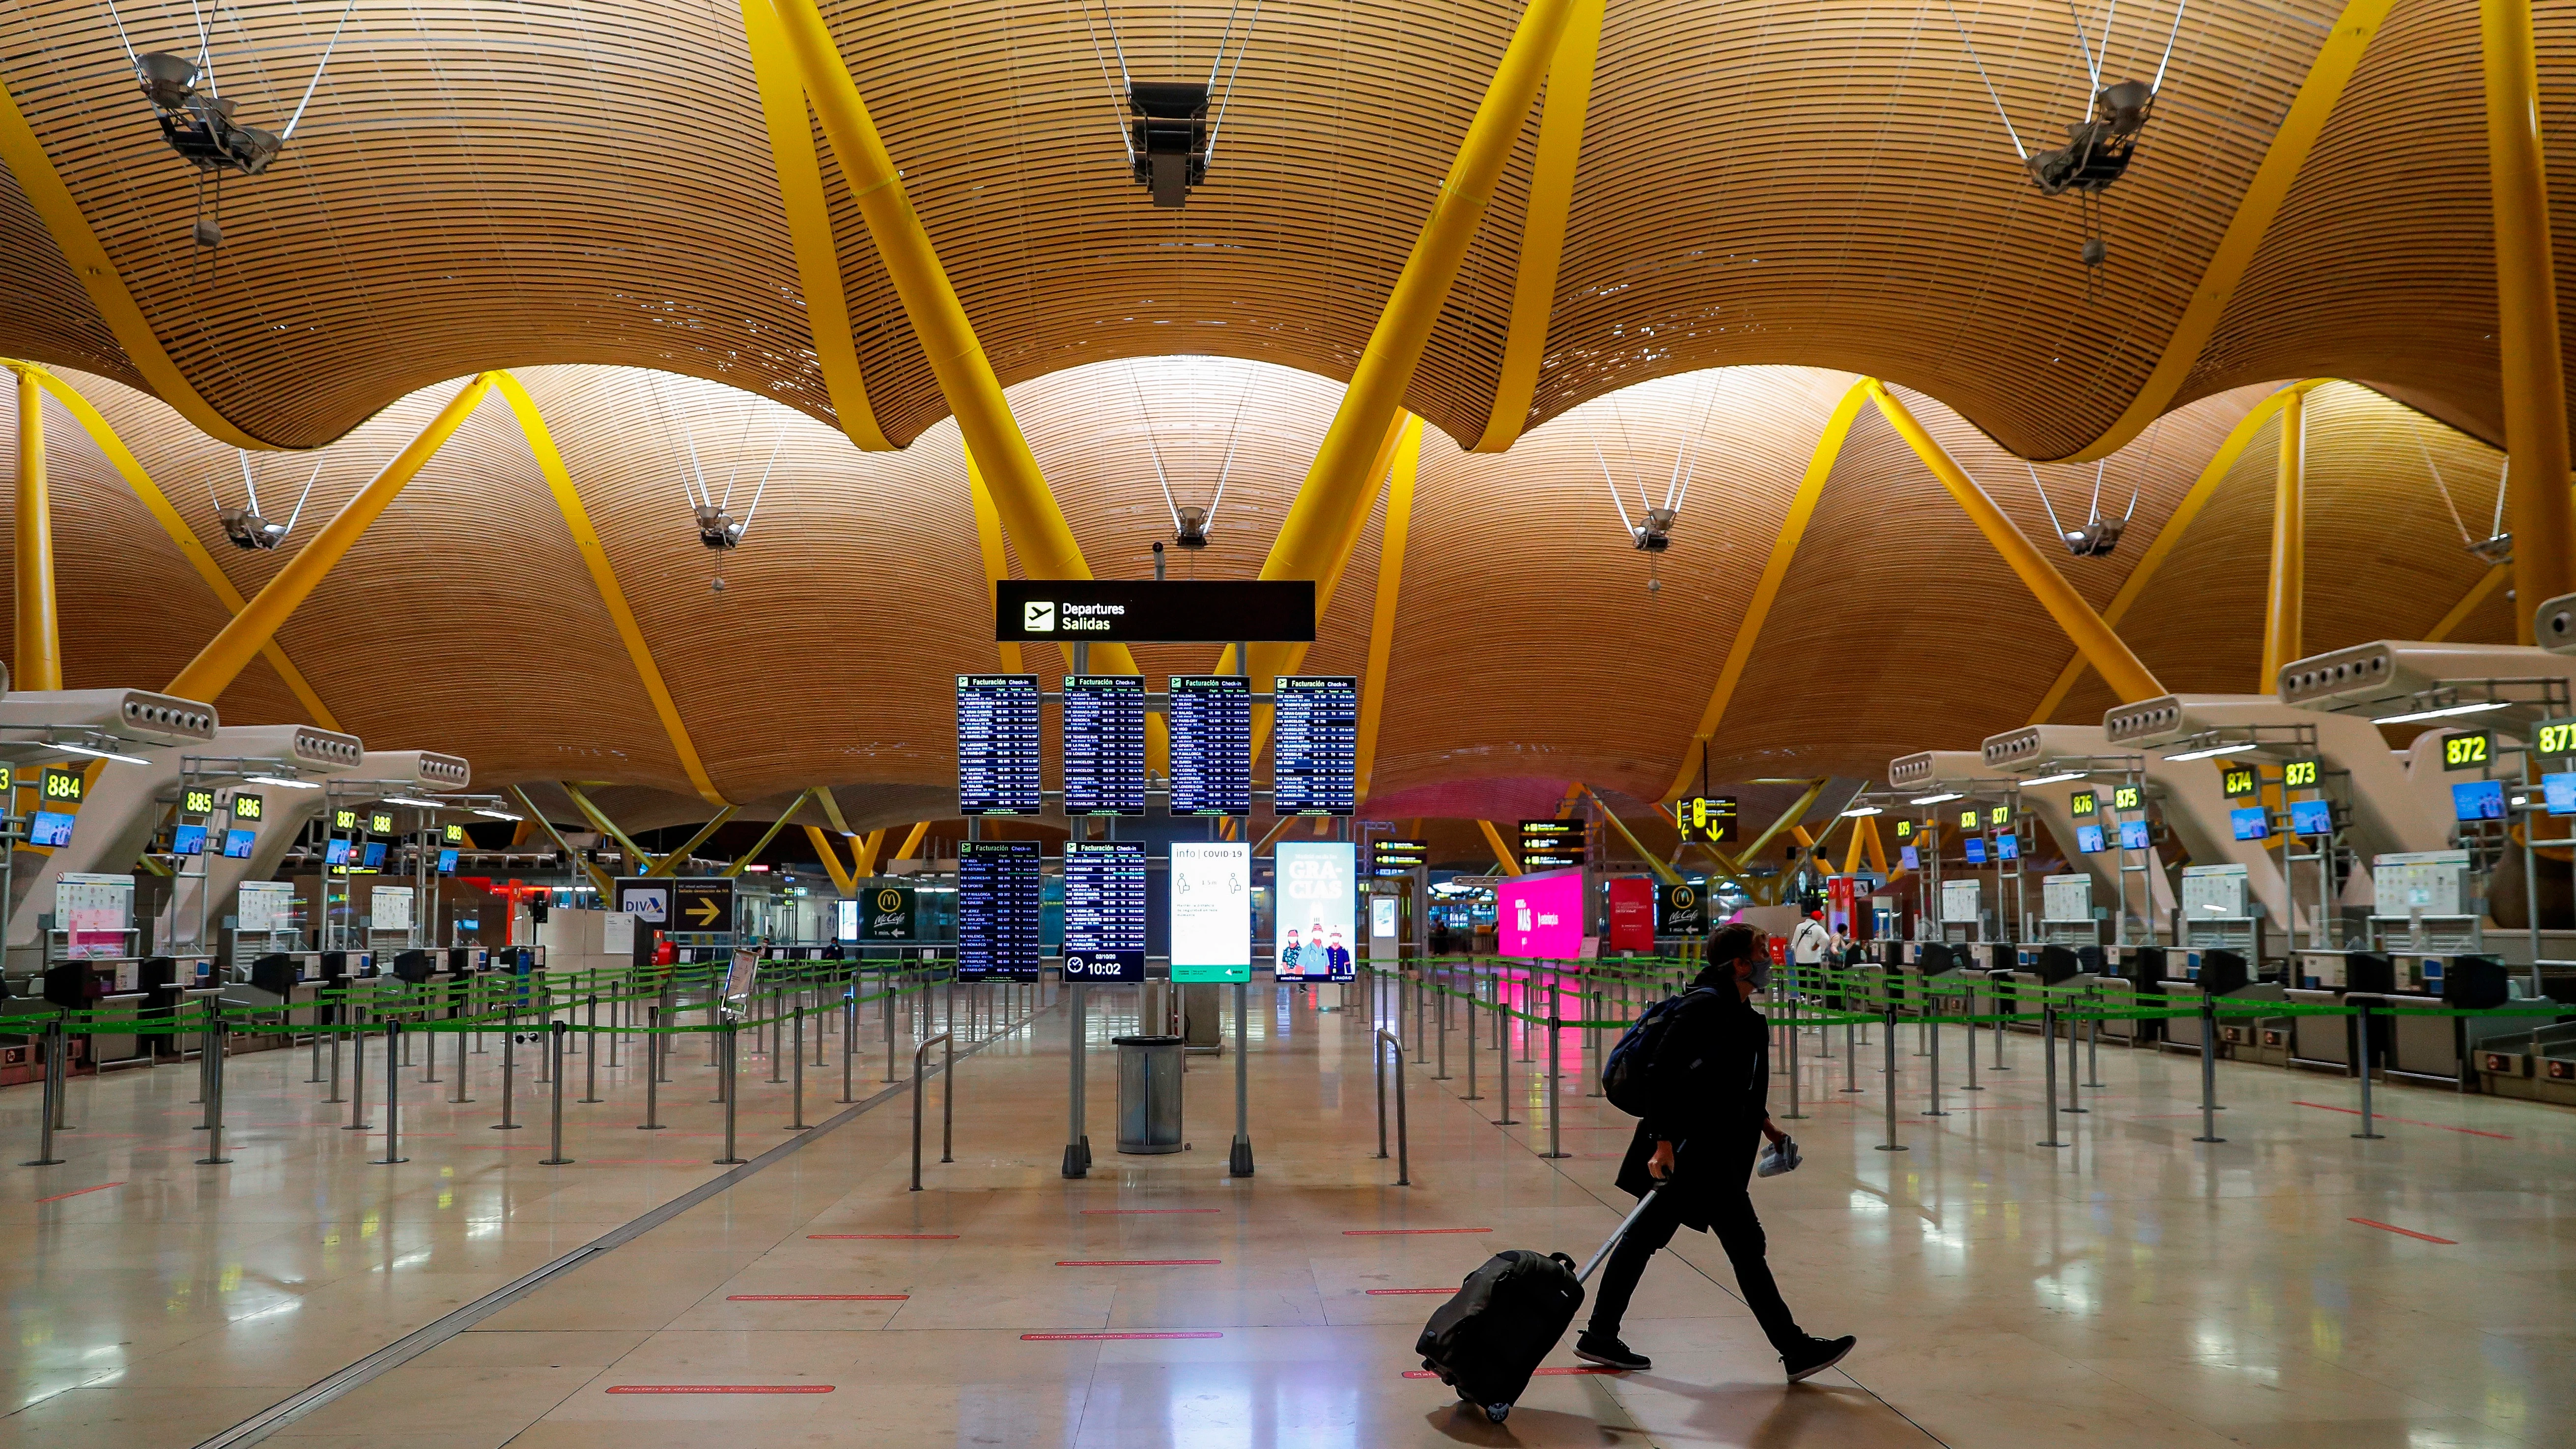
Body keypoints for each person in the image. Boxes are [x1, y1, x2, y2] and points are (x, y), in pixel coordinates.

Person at [1575, 921, 1855, 1383]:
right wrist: (1662, 1142)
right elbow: (1659, 1071)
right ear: (1739, 964)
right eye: (1763, 950)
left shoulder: (1739, 1012)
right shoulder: (1705, 1008)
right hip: (1688, 1150)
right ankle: (1794, 1348)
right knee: (1741, 1246)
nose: (1771, 957)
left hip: (1709, 1148)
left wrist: (1766, 1127)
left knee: (1651, 1239)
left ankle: (1601, 1333)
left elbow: (1731, 1084)